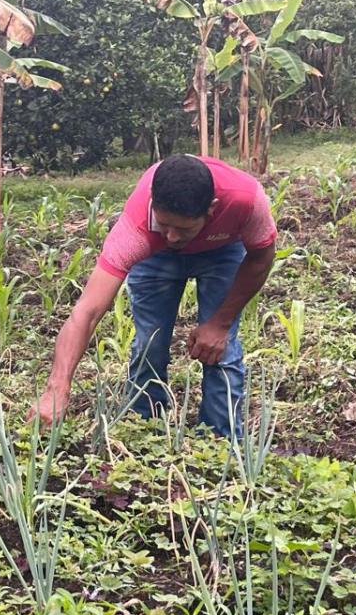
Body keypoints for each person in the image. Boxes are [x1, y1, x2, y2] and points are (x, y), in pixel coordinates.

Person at [31, 154, 277, 437]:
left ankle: (220, 444)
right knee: (150, 343)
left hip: (221, 250)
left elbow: (261, 258)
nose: (172, 236)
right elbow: (86, 312)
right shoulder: (137, 228)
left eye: (182, 228)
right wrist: (57, 387)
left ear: (211, 210)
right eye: (165, 224)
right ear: (152, 204)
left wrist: (220, 323)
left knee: (220, 350)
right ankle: (144, 433)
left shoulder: (246, 200)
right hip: (155, 256)